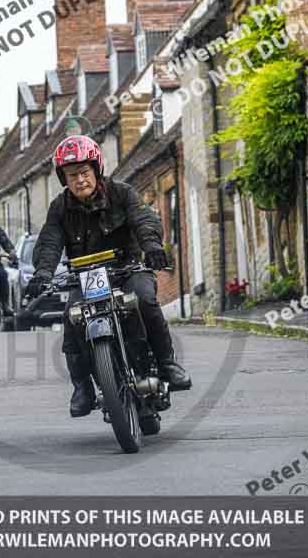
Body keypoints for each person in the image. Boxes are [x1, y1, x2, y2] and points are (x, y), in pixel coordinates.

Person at [27, 135, 192, 417]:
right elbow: (50, 242)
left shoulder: (122, 193)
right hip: (87, 276)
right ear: (63, 178)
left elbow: (144, 220)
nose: (79, 180)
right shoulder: (59, 208)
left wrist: (152, 247)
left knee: (144, 299)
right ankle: (83, 387)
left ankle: (167, 363)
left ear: (96, 169)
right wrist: (42, 273)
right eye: (72, 175)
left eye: (84, 173)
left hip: (127, 268)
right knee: (72, 315)